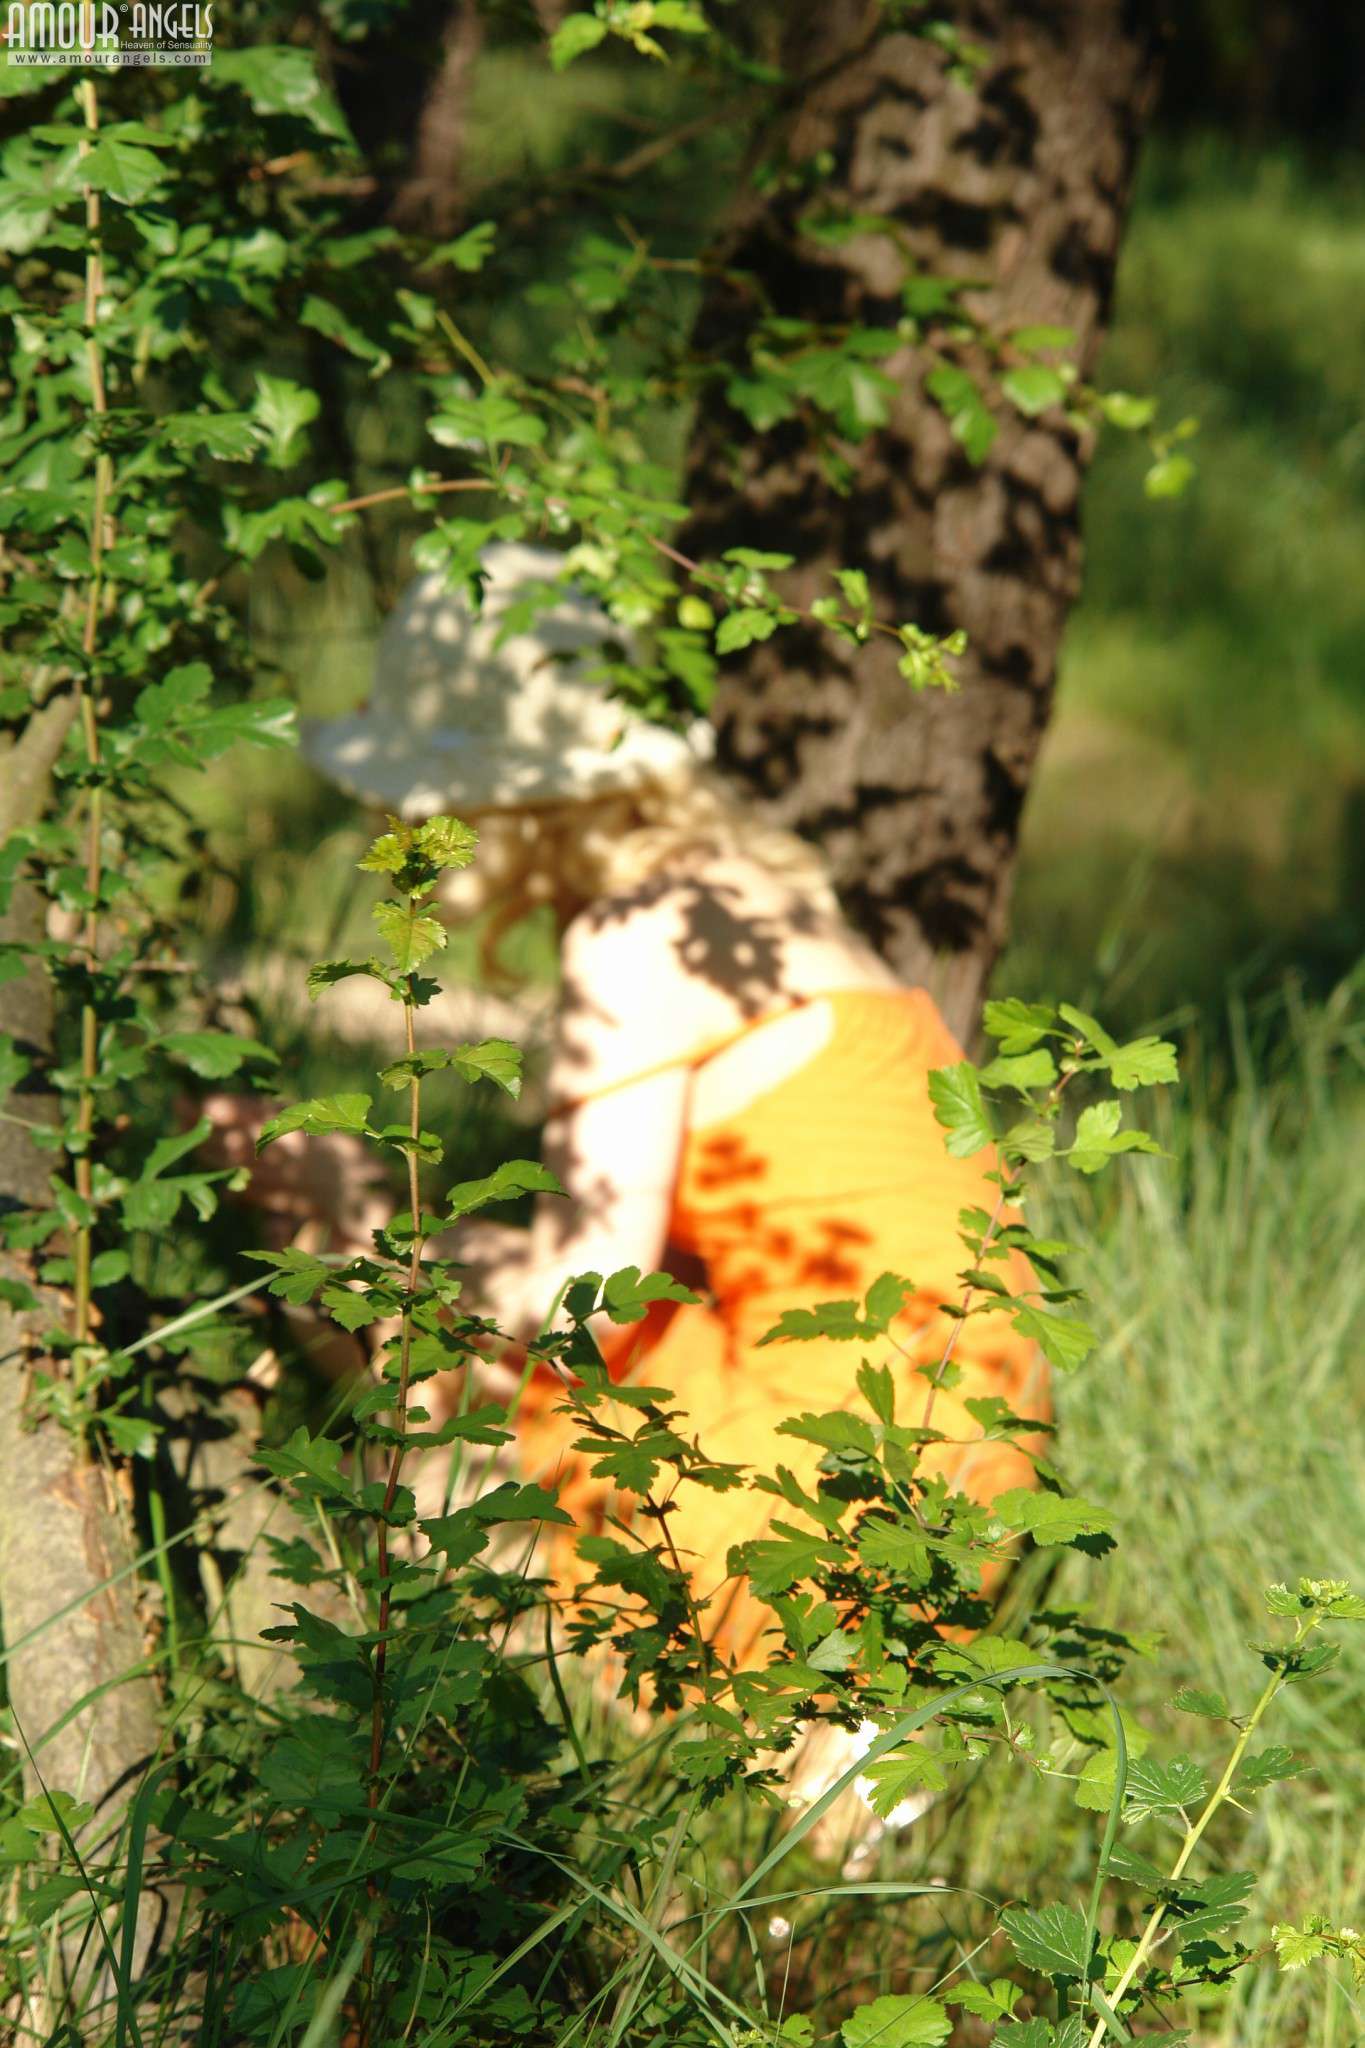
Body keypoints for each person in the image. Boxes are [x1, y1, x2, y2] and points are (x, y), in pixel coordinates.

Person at [285, 542, 1050, 1665]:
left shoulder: (635, 936)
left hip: (810, 1509)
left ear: (509, 797)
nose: (390, 833)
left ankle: (509, 1640)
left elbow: (584, 1305)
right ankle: (840, 1700)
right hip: (951, 1483)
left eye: (414, 802)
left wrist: (394, 1252)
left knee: (363, 1267)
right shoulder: (745, 902)